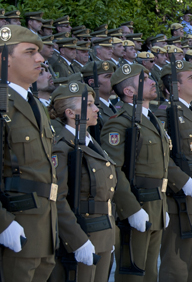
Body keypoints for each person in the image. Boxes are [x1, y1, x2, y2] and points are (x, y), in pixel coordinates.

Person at [101, 64, 170, 282]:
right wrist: (130, 209)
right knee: (133, 272)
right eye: (144, 79)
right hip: (137, 203)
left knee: (150, 272)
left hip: (156, 204)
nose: (152, 82)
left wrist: (162, 207)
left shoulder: (151, 119)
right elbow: (113, 170)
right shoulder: (119, 123)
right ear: (129, 92)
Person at [0, 25, 59, 281]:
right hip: (15, 225)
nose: (40, 59)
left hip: (43, 228)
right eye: (30, 52)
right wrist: (3, 223)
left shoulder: (33, 103)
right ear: (4, 59)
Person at [48, 82, 117, 282]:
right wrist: (78, 241)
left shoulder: (91, 143)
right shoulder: (62, 148)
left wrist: (109, 233)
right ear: (70, 112)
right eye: (89, 105)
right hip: (82, 236)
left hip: (103, 233)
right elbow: (58, 200)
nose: (96, 109)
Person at [156, 61, 192, 282]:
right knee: (176, 261)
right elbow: (160, 155)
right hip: (177, 196)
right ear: (174, 86)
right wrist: (182, 180)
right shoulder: (164, 112)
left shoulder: (190, 110)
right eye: (191, 78)